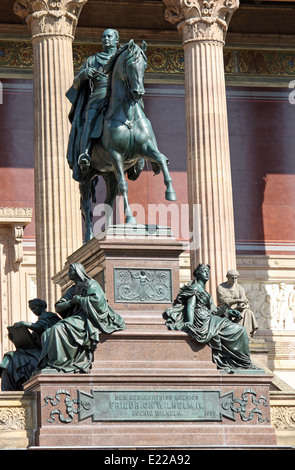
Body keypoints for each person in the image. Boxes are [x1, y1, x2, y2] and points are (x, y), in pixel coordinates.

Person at [165, 264, 257, 373]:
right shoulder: (195, 288)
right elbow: (191, 306)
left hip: (210, 318)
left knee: (239, 330)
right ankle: (244, 363)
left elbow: (214, 311)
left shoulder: (205, 292)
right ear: (198, 274)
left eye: (208, 271)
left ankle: (241, 362)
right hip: (202, 320)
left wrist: (228, 311)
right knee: (240, 330)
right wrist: (189, 323)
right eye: (204, 271)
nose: (207, 273)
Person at [38, 263, 125, 373]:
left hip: (89, 318)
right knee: (47, 333)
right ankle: (50, 364)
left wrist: (80, 300)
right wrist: (71, 302)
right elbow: (58, 306)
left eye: (70, 271)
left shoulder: (91, 284)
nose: (68, 273)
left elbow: (99, 303)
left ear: (77, 271)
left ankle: (60, 362)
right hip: (77, 318)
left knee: (57, 329)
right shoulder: (73, 289)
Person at [66, 29, 119, 182]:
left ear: (116, 40)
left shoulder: (123, 57)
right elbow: (76, 84)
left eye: (109, 36)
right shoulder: (92, 60)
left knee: (140, 116)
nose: (106, 39)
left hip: (120, 94)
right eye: (104, 37)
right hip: (99, 94)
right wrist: (83, 75)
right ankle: (85, 153)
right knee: (89, 119)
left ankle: (144, 156)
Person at [0, 299, 60, 390]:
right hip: (35, 351)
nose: (34, 311)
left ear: (42, 307)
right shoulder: (41, 319)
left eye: (35, 308)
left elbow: (40, 328)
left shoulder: (49, 316)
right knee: (10, 358)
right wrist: (15, 337)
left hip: (47, 353)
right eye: (32, 309)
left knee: (14, 359)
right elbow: (33, 340)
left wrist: (25, 324)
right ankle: (7, 394)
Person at [217, 269, 258, 339]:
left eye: (235, 278)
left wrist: (244, 305)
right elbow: (224, 300)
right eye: (232, 278)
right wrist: (238, 300)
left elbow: (245, 300)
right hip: (226, 310)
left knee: (248, 312)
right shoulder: (221, 287)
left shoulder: (239, 288)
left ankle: (246, 335)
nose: (234, 280)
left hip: (238, 310)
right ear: (228, 277)